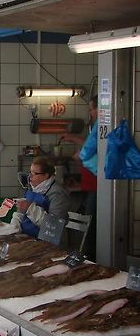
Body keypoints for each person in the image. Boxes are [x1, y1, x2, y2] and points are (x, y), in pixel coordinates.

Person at [60, 95, 98, 259]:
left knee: (91, 228)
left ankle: (92, 259)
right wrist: (73, 139)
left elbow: (89, 149)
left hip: (97, 187)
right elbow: (90, 144)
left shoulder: (102, 125)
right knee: (89, 226)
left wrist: (80, 154)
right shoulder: (97, 126)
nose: (90, 113)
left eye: (91, 109)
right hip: (90, 186)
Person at [10, 157, 70, 239]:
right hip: (28, 237)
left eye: (34, 173)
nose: (30, 176)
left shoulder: (58, 194)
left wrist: (30, 208)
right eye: (30, 172)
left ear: (46, 175)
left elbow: (55, 226)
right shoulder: (34, 187)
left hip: (49, 243)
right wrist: (14, 226)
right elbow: (20, 213)